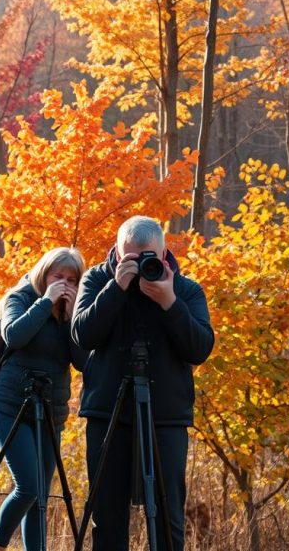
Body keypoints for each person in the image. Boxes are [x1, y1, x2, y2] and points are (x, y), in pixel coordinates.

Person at [72, 216, 214, 551]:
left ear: (164, 254)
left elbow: (200, 348)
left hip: (165, 415)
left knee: (167, 519)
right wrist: (115, 289)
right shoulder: (97, 279)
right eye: (129, 260)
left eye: (148, 258)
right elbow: (82, 335)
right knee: (107, 520)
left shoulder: (185, 289)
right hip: (108, 413)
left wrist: (169, 303)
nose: (139, 267)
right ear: (118, 254)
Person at [0, 247, 88, 550]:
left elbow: (83, 362)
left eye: (72, 279)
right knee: (28, 487)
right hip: (9, 405)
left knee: (41, 497)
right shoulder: (20, 297)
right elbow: (15, 336)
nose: (65, 284)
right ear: (44, 274)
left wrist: (71, 319)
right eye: (59, 276)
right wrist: (45, 303)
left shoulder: (72, 311)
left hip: (50, 410)